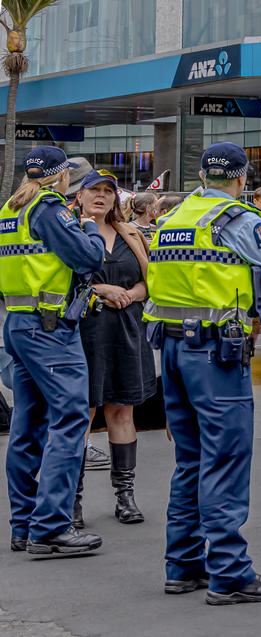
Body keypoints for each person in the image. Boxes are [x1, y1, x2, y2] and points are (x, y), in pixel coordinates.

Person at [144, 141, 261, 604]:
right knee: (225, 456)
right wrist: (259, 319)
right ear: (242, 179)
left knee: (190, 458)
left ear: (203, 176)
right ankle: (229, 572)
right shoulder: (242, 219)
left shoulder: (174, 218)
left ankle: (182, 565)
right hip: (215, 353)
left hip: (170, 348)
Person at [2, 147, 105, 556]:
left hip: (19, 323)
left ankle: (23, 525)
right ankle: (51, 527)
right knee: (70, 419)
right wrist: (92, 227)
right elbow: (90, 257)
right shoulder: (48, 207)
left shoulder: (12, 208)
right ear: (61, 177)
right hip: (50, 329)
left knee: (27, 426)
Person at [74, 170, 156, 528]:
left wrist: (132, 294)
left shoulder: (131, 234)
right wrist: (102, 290)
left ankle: (125, 496)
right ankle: (72, 501)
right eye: (95, 190)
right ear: (79, 196)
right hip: (84, 334)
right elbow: (62, 282)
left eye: (108, 191)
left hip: (127, 330)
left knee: (122, 412)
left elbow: (148, 281)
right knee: (83, 415)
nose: (102, 196)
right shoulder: (69, 233)